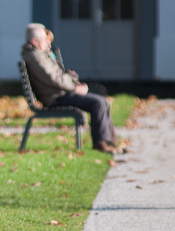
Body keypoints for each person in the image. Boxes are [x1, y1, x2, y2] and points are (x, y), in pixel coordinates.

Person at [21, 23, 117, 153]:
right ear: (35, 41)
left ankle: (108, 142)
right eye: (45, 40)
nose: (49, 44)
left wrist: (72, 83)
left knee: (102, 101)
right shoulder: (36, 57)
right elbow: (55, 79)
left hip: (59, 94)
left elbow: (57, 77)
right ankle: (100, 143)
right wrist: (74, 88)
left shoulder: (38, 54)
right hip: (56, 98)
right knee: (98, 103)